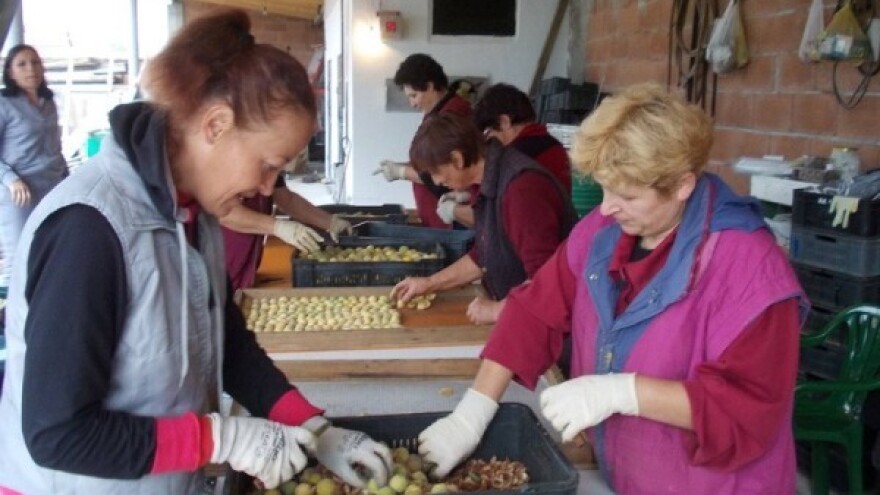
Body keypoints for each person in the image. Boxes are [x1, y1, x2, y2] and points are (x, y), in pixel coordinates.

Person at [0, 10, 391, 494]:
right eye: (267, 165)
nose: (265, 187)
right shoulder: (90, 230)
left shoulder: (193, 216)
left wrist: (313, 426)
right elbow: (57, 434)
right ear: (216, 125)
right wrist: (220, 439)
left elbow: (225, 344)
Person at [416, 84, 807, 495]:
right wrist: (472, 413)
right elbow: (533, 310)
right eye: (604, 188)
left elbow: (747, 406)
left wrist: (625, 392)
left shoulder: (750, 270)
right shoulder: (601, 233)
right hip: (627, 474)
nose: (605, 207)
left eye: (627, 195)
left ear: (682, 185)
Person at [390, 113, 575, 326]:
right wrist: (430, 283)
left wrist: (497, 310)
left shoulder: (521, 189)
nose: (436, 181)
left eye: (435, 172)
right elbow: (484, 253)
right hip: (521, 315)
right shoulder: (487, 182)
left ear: (457, 159)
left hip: (551, 328)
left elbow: (547, 279)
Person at [443, 82, 572, 228]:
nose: (488, 143)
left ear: (504, 121)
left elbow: (488, 216)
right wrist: (467, 195)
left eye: (489, 133)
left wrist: (452, 210)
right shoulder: (552, 144)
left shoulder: (516, 158)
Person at [0, 44, 68, 300]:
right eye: (22, 64)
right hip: (19, 192)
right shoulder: (5, 104)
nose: (31, 69)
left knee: (52, 251)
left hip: (52, 187)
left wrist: (67, 179)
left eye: (36, 62)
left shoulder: (48, 102)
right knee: (19, 257)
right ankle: (12, 317)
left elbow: (55, 147)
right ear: (10, 72)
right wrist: (11, 180)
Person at [373, 53, 471, 228]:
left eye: (414, 95)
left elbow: (443, 171)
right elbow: (430, 161)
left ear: (430, 86)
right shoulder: (435, 113)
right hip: (434, 217)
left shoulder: (453, 114)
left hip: (449, 219)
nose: (412, 104)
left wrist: (402, 172)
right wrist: (400, 165)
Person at [220, 176, 352, 290]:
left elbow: (287, 199)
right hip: (221, 262)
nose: (268, 189)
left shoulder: (271, 165)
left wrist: (330, 222)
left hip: (246, 264)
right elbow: (226, 212)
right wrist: (278, 227)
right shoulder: (225, 166)